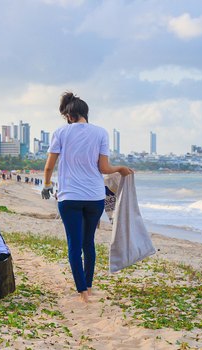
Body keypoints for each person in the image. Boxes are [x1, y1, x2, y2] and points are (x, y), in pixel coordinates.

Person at [42, 92, 133, 303]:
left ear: (69, 115)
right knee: (88, 243)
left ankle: (81, 291)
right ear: (85, 113)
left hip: (70, 197)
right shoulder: (101, 133)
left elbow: (49, 167)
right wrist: (120, 168)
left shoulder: (60, 133)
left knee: (74, 244)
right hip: (94, 197)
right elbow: (104, 168)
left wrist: (47, 185)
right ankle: (89, 287)